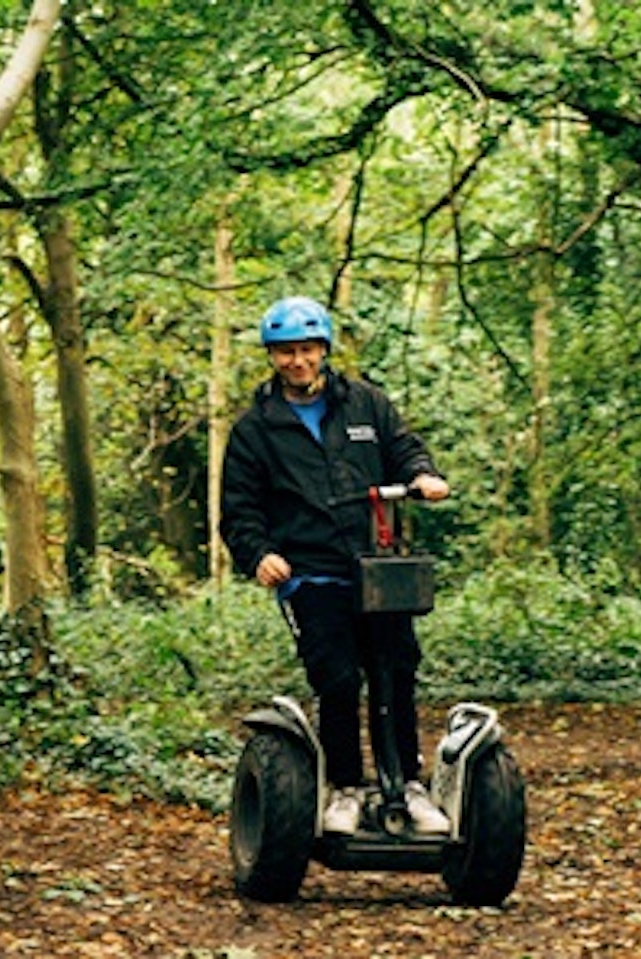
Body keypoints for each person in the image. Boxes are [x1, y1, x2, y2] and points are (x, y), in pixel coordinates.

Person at [219, 296, 452, 836]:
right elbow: (239, 509)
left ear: (323, 349)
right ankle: (345, 788)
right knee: (338, 678)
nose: (297, 362)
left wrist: (423, 476)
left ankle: (408, 786)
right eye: (285, 353)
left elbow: (405, 449)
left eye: (306, 350)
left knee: (395, 670)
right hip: (309, 571)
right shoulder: (257, 429)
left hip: (376, 565)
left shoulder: (366, 404)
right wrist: (260, 555)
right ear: (271, 357)